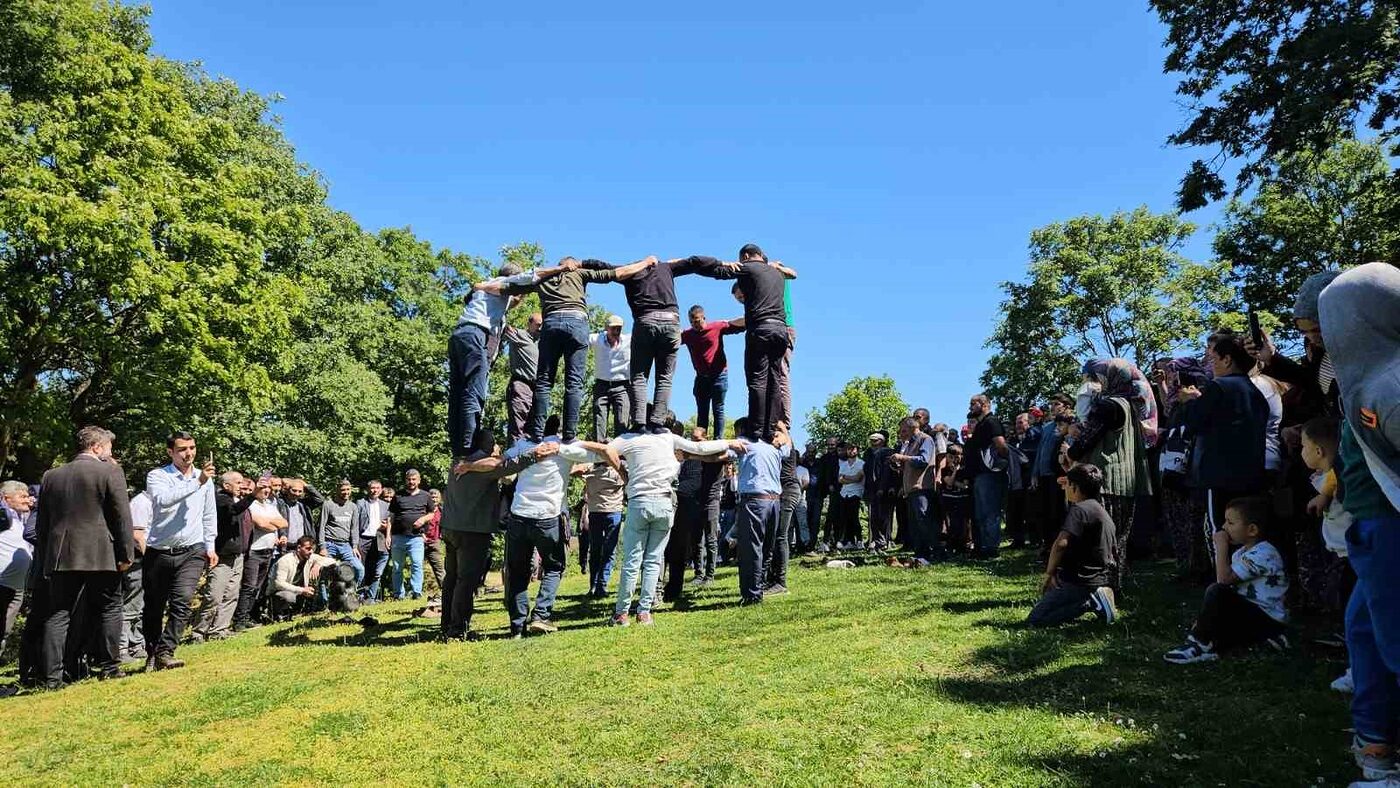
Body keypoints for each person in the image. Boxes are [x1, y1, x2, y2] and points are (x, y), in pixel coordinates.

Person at [1315, 262, 1400, 786]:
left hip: (1390, 530)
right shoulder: (1369, 380)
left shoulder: (1390, 387)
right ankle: (1377, 746)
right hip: (1371, 526)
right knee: (1366, 634)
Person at [33, 426, 134, 688]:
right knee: (111, 606)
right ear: (97, 447)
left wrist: (45, 558)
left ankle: (51, 678)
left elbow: (43, 524)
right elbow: (122, 516)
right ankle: (110, 666)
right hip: (102, 552)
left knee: (58, 614)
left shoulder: (50, 476)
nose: (111, 453)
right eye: (109, 448)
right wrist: (126, 554)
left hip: (61, 554)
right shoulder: (110, 471)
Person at [450, 259, 575, 467]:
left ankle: (457, 448)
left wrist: (521, 295)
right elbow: (532, 276)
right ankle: (468, 449)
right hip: (476, 336)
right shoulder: (501, 283)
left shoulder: (489, 292)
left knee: (458, 394)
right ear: (511, 278)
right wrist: (561, 269)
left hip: (459, 336)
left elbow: (514, 300)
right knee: (474, 393)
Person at [610, 423, 736, 625]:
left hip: (643, 500)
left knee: (634, 560)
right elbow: (704, 452)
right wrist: (733, 443)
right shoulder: (678, 452)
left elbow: (606, 451)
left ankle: (622, 613)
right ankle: (644, 612)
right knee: (654, 559)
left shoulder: (641, 442)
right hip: (665, 501)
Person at [521, 256, 656, 443]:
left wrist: (486, 287)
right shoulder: (579, 272)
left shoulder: (542, 277)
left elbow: (513, 283)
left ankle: (536, 433)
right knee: (574, 383)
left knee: (544, 381)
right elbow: (616, 273)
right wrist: (645, 263)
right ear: (572, 265)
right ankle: (569, 434)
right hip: (576, 321)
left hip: (551, 321)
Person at [440, 428, 555, 641]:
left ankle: (446, 624)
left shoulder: (457, 462)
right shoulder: (484, 467)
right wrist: (534, 454)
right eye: (494, 444)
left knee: (452, 578)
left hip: (450, 528)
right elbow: (508, 466)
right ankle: (457, 630)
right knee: (466, 581)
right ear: (488, 445)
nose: (497, 449)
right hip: (472, 532)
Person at [502, 421, 613, 636]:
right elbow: (603, 455)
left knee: (517, 571)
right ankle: (541, 615)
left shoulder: (524, 444)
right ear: (561, 430)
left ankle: (517, 626)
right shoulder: (564, 448)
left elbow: (501, 462)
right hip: (547, 517)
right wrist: (580, 442)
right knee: (554, 567)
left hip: (518, 514)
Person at [582, 256, 716, 432]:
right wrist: (720, 264)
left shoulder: (631, 270)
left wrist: (582, 263)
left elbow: (604, 266)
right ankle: (658, 422)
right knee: (664, 377)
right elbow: (694, 262)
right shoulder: (666, 267)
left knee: (639, 376)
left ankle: (639, 423)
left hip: (645, 321)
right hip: (671, 322)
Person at [1163, 496, 1289, 663]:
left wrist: (1220, 546)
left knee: (1217, 591)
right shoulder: (1240, 553)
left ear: (1252, 530)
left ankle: (1200, 644)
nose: (1223, 527)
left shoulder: (1264, 553)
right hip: (1251, 616)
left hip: (1267, 619)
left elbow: (1223, 580)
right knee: (1217, 606)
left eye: (1230, 523)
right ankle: (1235, 643)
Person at [692, 245, 799, 440]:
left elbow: (716, 272)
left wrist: (695, 263)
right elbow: (793, 274)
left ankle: (756, 431)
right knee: (774, 379)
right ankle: (771, 429)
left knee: (757, 380)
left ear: (747, 256)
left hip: (761, 330)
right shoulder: (776, 273)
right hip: (781, 331)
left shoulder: (748, 267)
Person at [1178, 334, 1269, 563]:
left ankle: (1223, 581)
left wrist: (1189, 402)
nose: (1211, 365)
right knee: (1250, 534)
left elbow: (1192, 423)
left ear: (1227, 359)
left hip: (1219, 477)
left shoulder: (1218, 387)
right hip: (1253, 474)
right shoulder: (1256, 393)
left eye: (1213, 359)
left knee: (1220, 530)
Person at [1066, 359, 1154, 588]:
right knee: (1118, 540)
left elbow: (1087, 439)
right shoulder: (1131, 405)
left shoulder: (1108, 406)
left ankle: (1097, 588)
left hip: (1105, 480)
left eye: (1100, 377)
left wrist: (1071, 447)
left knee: (1098, 540)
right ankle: (1114, 586)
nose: (1097, 382)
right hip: (1127, 482)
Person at [143, 431, 217, 672]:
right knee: (154, 606)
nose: (189, 454)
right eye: (183, 449)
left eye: (192, 448)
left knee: (182, 602)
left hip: (192, 550)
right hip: (160, 550)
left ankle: (166, 651)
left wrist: (210, 545)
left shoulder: (204, 478)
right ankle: (152, 650)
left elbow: (209, 513)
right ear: (170, 452)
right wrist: (198, 482)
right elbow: (164, 500)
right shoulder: (158, 476)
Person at [1027, 464, 1118, 627]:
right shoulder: (1100, 510)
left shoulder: (1079, 510)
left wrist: (1050, 573)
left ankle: (1091, 602)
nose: (1064, 488)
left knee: (1036, 619)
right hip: (1101, 578)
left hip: (1079, 582)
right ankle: (1095, 599)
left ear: (1075, 487)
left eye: (1067, 484)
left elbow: (1061, 544)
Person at [727, 417, 790, 606]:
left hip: (754, 502)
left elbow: (722, 454)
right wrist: (783, 428)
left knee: (750, 549)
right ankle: (759, 588)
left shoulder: (745, 443)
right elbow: (788, 445)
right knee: (766, 548)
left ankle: (752, 594)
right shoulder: (775, 446)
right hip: (774, 503)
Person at [191, 472, 249, 643]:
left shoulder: (236, 499)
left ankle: (219, 629)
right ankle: (198, 632)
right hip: (221, 556)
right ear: (226, 485)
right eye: (238, 482)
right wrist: (253, 496)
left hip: (237, 555)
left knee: (231, 594)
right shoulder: (220, 500)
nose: (241, 485)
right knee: (214, 595)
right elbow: (233, 511)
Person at [232, 474, 287, 631]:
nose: (267, 490)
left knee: (257, 587)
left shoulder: (270, 506)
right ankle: (239, 621)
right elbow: (261, 524)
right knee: (248, 586)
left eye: (269, 488)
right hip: (254, 551)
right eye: (263, 487)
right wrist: (272, 524)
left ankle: (248, 616)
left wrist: (270, 524)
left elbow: (284, 522)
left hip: (269, 551)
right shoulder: (250, 505)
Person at [680, 305, 744, 439]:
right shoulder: (688, 334)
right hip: (701, 377)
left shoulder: (716, 327)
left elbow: (735, 325)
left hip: (719, 375)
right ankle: (701, 438)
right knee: (702, 411)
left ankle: (717, 439)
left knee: (718, 409)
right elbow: (673, 339)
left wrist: (752, 317)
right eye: (692, 322)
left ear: (704, 317)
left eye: (697, 321)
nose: (695, 324)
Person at [962, 394, 1009, 559]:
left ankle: (991, 549)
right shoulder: (981, 424)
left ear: (984, 404)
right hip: (978, 476)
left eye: (972, 404)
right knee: (981, 514)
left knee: (990, 513)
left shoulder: (991, 422)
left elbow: (1001, 446)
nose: (970, 407)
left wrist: (998, 465)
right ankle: (982, 547)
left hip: (989, 475)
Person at [892, 417, 941, 565]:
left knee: (924, 521)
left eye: (903, 430)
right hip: (911, 489)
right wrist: (899, 466)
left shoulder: (925, 439)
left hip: (922, 488)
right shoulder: (909, 444)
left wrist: (903, 457)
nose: (901, 434)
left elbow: (923, 460)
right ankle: (920, 554)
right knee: (915, 525)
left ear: (913, 427)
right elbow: (911, 463)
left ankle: (935, 553)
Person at [1031, 396, 1073, 559]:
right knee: (1044, 512)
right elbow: (1040, 450)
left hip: (1059, 474)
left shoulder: (1070, 423)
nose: (1052, 407)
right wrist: (1035, 473)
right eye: (1051, 404)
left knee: (1059, 512)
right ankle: (1048, 546)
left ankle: (1060, 548)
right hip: (1043, 474)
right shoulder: (1047, 427)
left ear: (1066, 406)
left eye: (1057, 404)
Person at [387, 469, 435, 601]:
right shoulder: (398, 496)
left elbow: (432, 513)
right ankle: (398, 594)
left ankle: (416, 592)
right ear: (405, 480)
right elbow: (391, 516)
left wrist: (423, 520)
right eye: (409, 479)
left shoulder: (425, 495)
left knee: (417, 564)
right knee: (397, 567)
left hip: (416, 537)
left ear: (419, 481)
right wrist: (388, 535)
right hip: (398, 536)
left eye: (414, 479)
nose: (411, 482)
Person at [0, 481, 35, 658]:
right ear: (5, 499)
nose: (26, 500)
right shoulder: (2, 516)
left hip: (16, 586)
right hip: (2, 583)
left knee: (4, 631)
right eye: (21, 496)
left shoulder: (21, 518)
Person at [583, 460, 624, 598]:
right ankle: (601, 585)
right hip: (613, 512)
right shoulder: (620, 469)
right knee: (608, 551)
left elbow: (576, 470)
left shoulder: (589, 470)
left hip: (596, 512)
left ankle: (594, 585)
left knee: (595, 549)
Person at [268, 536, 336, 620]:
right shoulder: (285, 561)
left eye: (312, 549)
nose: (311, 551)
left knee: (334, 569)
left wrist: (318, 565)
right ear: (299, 548)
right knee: (289, 596)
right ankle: (277, 614)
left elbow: (332, 561)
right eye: (308, 548)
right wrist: (302, 590)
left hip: (298, 591)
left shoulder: (309, 557)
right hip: (279, 593)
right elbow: (279, 584)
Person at [501, 313, 542, 442]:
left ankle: (527, 460)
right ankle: (514, 459)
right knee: (518, 426)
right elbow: (503, 328)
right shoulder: (520, 334)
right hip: (521, 385)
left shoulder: (541, 342)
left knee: (533, 429)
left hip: (537, 389)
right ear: (529, 324)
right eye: (538, 325)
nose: (541, 328)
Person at [591, 315, 632, 440]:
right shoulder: (596, 339)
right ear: (606, 328)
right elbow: (579, 338)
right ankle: (600, 454)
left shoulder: (628, 340)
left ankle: (620, 455)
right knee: (599, 419)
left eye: (619, 328)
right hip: (601, 385)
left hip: (622, 386)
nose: (616, 332)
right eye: (613, 328)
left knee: (622, 420)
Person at [120, 489, 149, 658]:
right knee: (131, 605)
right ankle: (122, 648)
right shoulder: (141, 502)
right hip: (138, 561)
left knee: (142, 605)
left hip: (147, 560)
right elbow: (137, 536)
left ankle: (137, 644)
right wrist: (152, 558)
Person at [317, 480, 362, 587]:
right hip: (329, 544)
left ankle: (350, 594)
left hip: (345, 545)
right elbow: (321, 527)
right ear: (337, 490)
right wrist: (322, 547)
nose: (346, 492)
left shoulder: (353, 507)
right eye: (343, 490)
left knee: (359, 569)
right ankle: (324, 601)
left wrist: (355, 546)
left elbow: (354, 528)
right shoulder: (328, 505)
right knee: (324, 572)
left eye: (348, 490)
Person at [1005, 412, 1039, 550]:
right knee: (1015, 512)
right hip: (1015, 481)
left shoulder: (1034, 438)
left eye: (1021, 422)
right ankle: (1017, 540)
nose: (1017, 425)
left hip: (1029, 479)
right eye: (1016, 423)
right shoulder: (1013, 441)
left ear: (1029, 423)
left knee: (1031, 511)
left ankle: (1035, 540)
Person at [355, 480, 390, 601]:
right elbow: (355, 524)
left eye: (377, 488)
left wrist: (387, 529)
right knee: (362, 568)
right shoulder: (360, 503)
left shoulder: (385, 505)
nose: (374, 490)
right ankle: (359, 595)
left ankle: (371, 597)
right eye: (372, 488)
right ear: (368, 489)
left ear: (381, 490)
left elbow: (390, 522)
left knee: (376, 569)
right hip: (363, 538)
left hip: (379, 538)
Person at [864, 431, 898, 551]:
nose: (873, 443)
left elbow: (892, 471)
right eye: (871, 441)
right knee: (873, 516)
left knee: (885, 517)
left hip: (886, 488)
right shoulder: (868, 454)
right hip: (871, 489)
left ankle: (886, 541)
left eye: (876, 440)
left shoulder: (889, 452)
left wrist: (891, 487)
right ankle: (874, 540)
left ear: (882, 441)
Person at [939, 446, 971, 556]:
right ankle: (951, 545)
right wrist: (955, 473)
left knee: (963, 524)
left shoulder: (965, 470)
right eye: (951, 457)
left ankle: (963, 545)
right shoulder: (944, 470)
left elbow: (965, 485)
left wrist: (956, 481)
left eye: (956, 456)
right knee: (950, 524)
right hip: (948, 500)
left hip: (961, 499)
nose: (954, 459)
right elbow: (949, 482)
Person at [835, 442, 865, 550]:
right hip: (844, 493)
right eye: (849, 449)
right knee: (844, 518)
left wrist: (846, 477)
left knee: (854, 518)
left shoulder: (861, 463)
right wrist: (852, 478)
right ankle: (849, 541)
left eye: (853, 449)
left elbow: (859, 478)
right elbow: (840, 480)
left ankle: (860, 540)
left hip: (856, 493)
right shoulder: (843, 464)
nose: (851, 451)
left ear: (857, 450)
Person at [423, 489, 446, 597]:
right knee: (417, 567)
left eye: (436, 497)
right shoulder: (422, 510)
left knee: (439, 567)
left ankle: (445, 589)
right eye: (432, 497)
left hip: (435, 542)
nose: (434, 499)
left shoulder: (442, 511)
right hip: (420, 540)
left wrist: (441, 537)